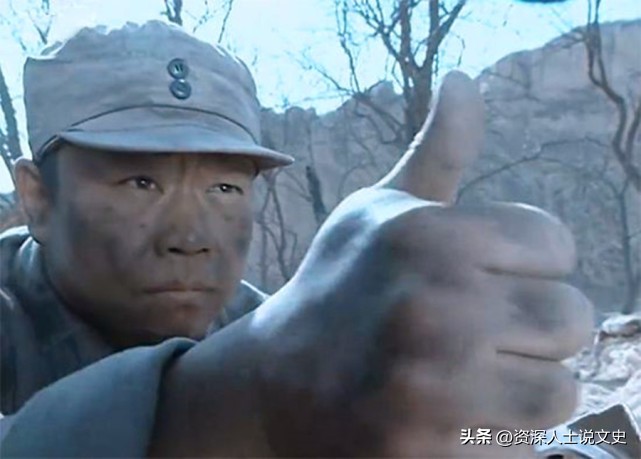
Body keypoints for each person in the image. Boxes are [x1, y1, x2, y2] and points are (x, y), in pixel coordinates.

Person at [0, 20, 593, 457]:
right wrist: (247, 406)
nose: (190, 237)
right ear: (39, 198)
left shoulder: (275, 334)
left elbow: (485, 435)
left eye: (225, 189)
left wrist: (565, 447)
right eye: (140, 183)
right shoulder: (278, 358)